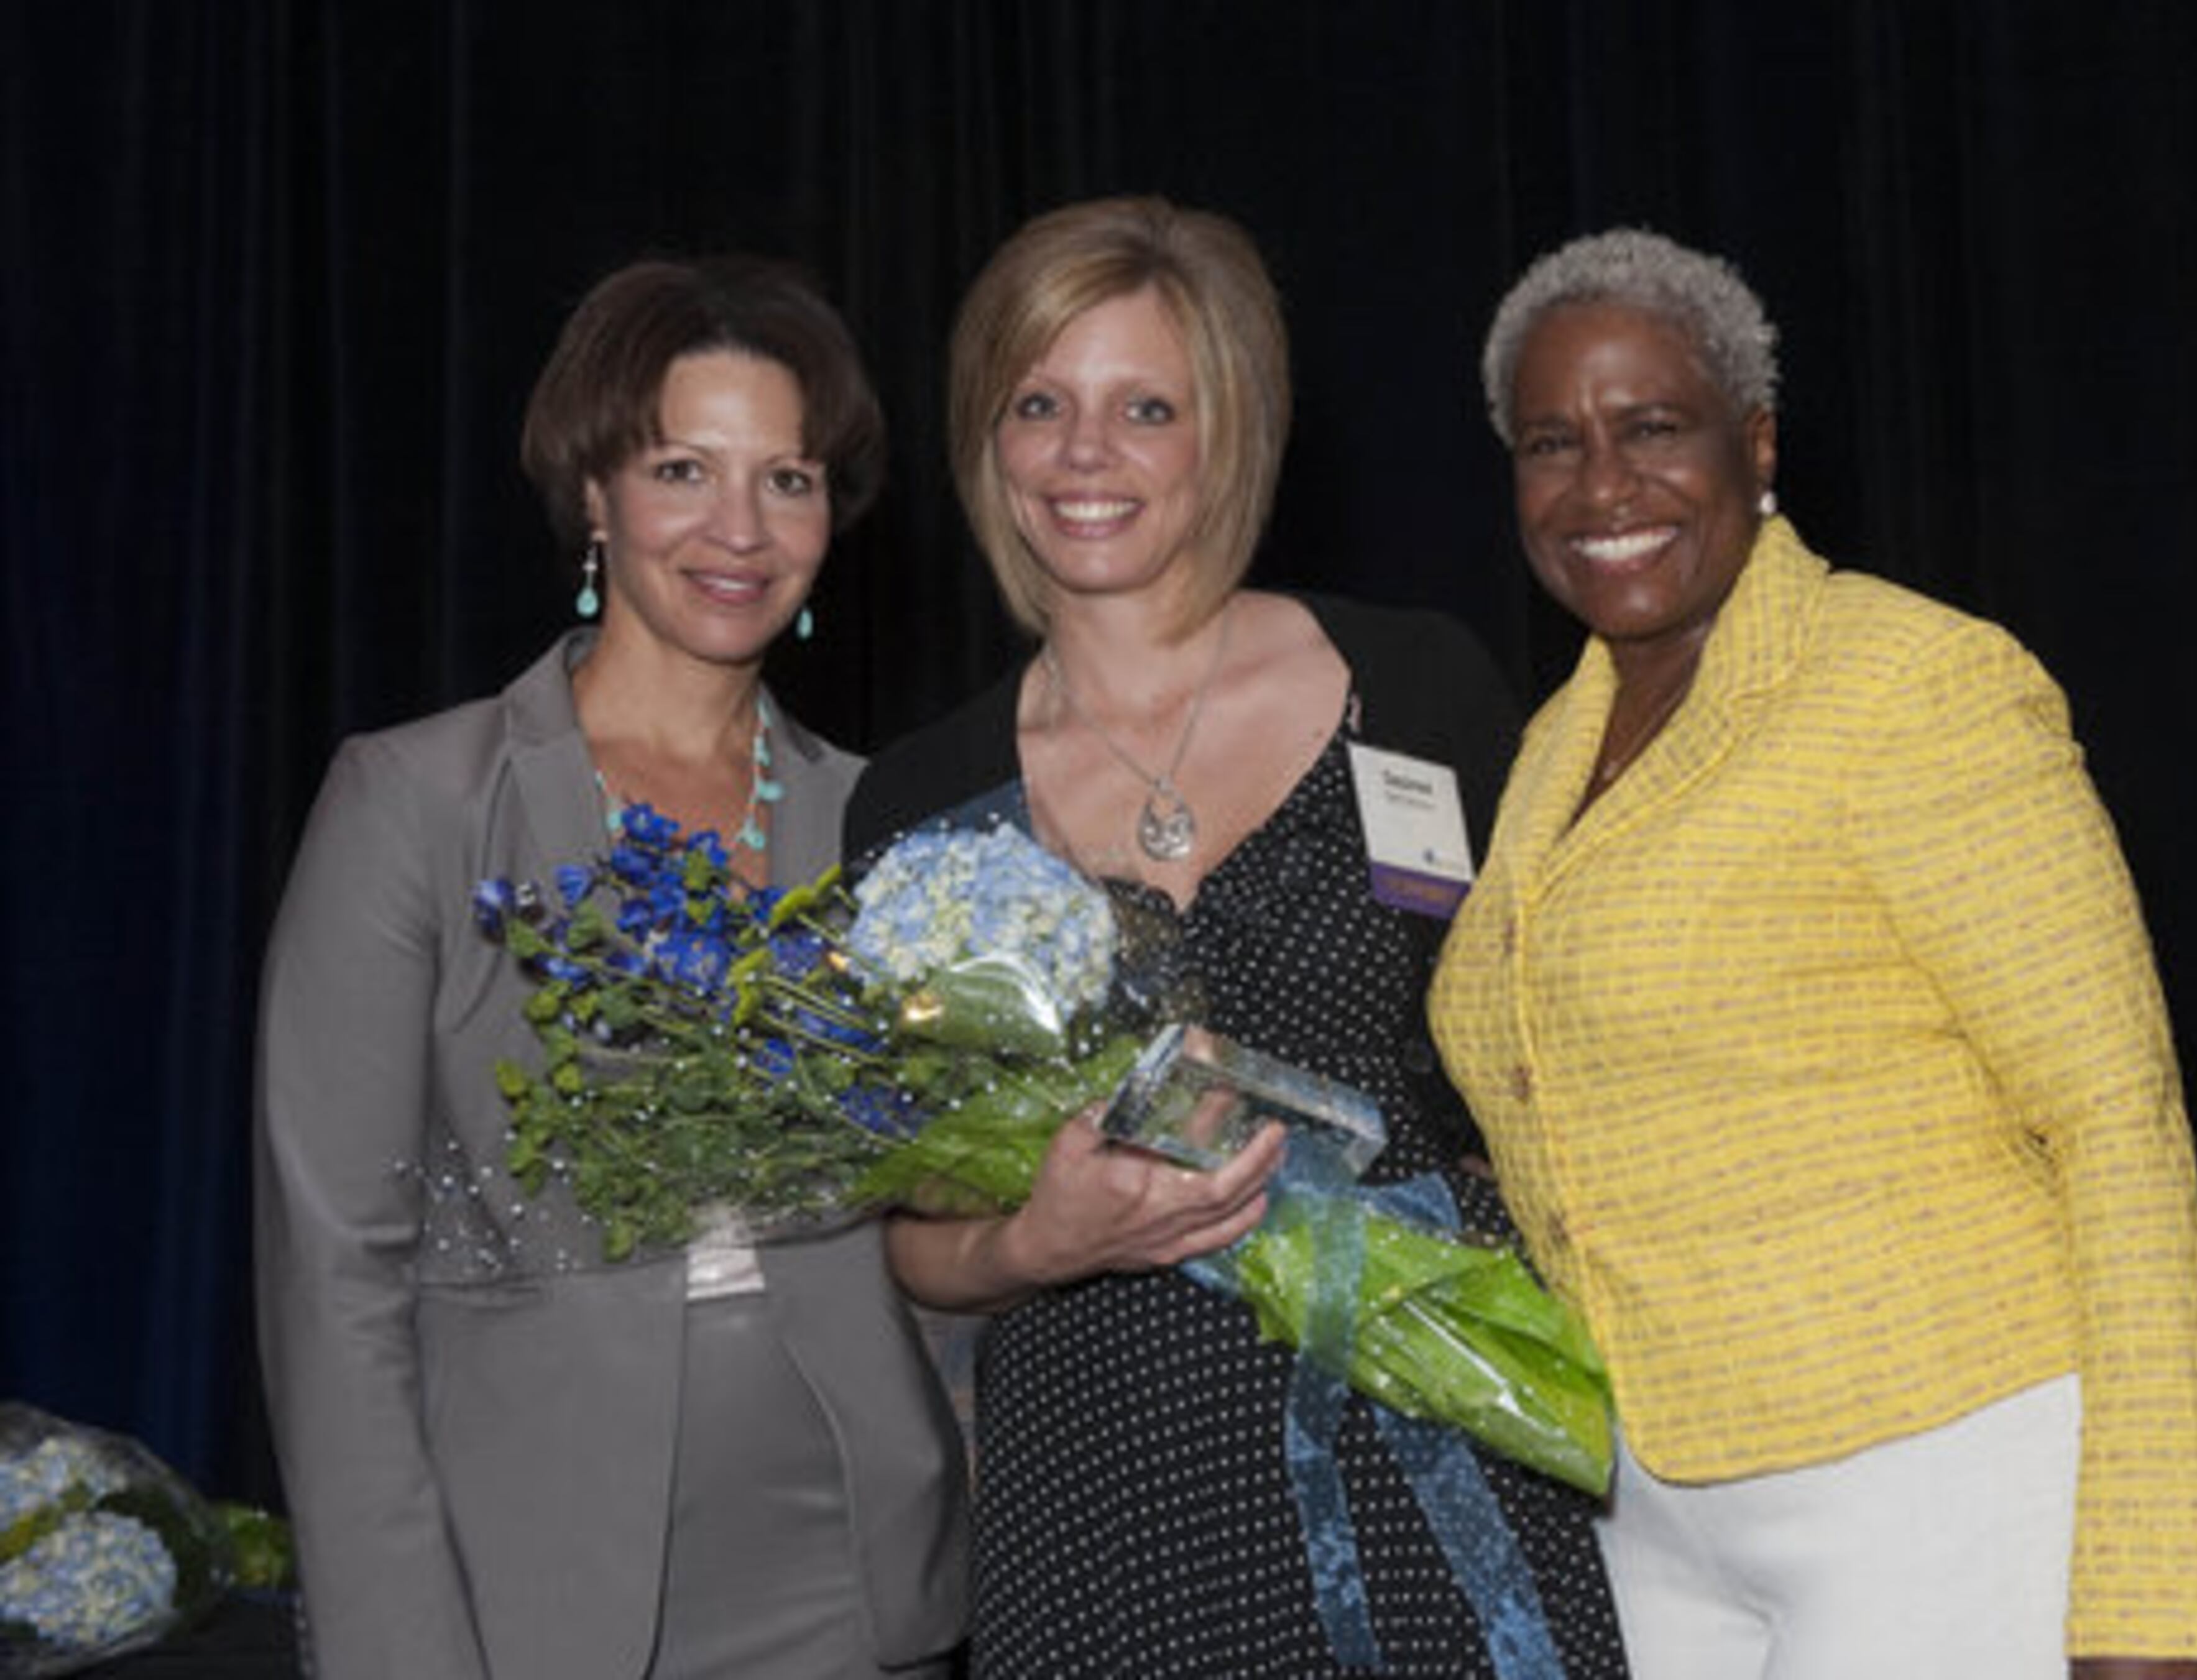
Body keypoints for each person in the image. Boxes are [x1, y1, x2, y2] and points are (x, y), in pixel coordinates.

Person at [1427, 227, 2197, 1680]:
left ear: (1755, 443)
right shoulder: (1546, 753)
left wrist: (2157, 1592)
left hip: (1941, 1465)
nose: (1602, 487)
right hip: (1651, 1501)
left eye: (1653, 429)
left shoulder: (1914, 684)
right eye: (1550, 442)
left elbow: (2117, 1122)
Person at [844, 196, 1631, 1679]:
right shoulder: (920, 800)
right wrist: (1035, 1237)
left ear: (1230, 431)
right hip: (1108, 1484)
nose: (1086, 454)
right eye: (1040, 404)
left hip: (1424, 1422)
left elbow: (1563, 1050)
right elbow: (908, 1242)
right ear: (986, 437)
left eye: (1146, 407)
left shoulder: (1419, 687)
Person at [254, 257, 969, 1679]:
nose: (740, 528)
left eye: (789, 478)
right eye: (682, 467)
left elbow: (946, 1210)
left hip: (849, 1564)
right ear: (594, 494)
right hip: (523, 1575)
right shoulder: (419, 803)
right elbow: (333, 1270)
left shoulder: (880, 819)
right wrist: (398, 1650)